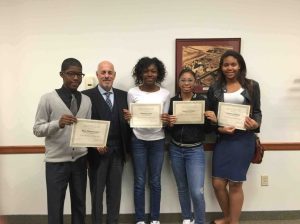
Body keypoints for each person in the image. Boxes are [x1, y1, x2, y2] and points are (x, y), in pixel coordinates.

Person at [33, 58, 92, 224]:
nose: (76, 78)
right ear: (62, 74)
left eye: (79, 74)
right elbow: (37, 129)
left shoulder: (87, 101)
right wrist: (57, 123)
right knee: (55, 205)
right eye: (71, 74)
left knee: (80, 205)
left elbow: (86, 129)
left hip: (80, 161)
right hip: (56, 163)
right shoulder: (48, 99)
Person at [206, 50, 262, 224]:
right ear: (221, 67)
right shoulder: (214, 87)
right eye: (226, 65)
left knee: (236, 184)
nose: (229, 68)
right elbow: (208, 116)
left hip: (244, 140)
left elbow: (257, 112)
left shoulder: (252, 86)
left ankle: (233, 221)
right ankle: (229, 217)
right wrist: (218, 127)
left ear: (240, 66)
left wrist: (256, 124)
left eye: (233, 64)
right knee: (218, 183)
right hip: (224, 139)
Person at [82, 61, 131, 224]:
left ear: (114, 75)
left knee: (115, 194)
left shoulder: (124, 95)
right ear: (97, 75)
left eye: (110, 72)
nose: (106, 76)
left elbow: (129, 122)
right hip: (96, 154)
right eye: (103, 72)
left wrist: (130, 119)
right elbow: (82, 124)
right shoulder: (86, 96)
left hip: (118, 153)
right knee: (96, 194)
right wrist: (94, 143)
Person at [123, 57, 170, 224]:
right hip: (138, 140)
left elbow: (165, 121)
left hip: (158, 140)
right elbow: (130, 120)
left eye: (153, 71)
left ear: (158, 73)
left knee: (155, 181)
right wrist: (128, 117)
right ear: (140, 73)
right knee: (139, 181)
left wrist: (166, 119)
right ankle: (140, 219)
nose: (150, 74)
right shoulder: (132, 92)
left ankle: (155, 219)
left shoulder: (165, 93)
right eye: (146, 71)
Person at [168, 68, 217, 224]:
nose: (186, 83)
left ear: (195, 82)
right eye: (183, 80)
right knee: (182, 188)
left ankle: (200, 221)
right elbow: (170, 128)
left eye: (190, 80)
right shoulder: (173, 101)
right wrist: (169, 123)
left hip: (195, 150)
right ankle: (187, 218)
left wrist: (212, 120)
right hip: (175, 149)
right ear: (178, 82)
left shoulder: (202, 101)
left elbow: (208, 130)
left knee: (196, 191)